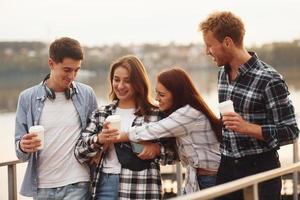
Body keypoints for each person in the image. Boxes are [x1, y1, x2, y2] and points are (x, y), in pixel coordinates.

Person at [198, 11, 299, 200]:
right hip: (226, 168)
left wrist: (248, 128)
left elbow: (291, 131)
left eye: (209, 45)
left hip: (260, 169)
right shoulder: (222, 74)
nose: (206, 51)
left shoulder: (269, 79)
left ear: (227, 42)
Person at [74, 55, 177, 200]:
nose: (120, 86)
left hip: (142, 187)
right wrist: (99, 139)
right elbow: (79, 152)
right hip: (105, 185)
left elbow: (175, 154)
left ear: (138, 83)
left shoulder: (156, 114)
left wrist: (156, 150)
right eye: (116, 79)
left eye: (127, 81)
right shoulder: (102, 113)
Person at [109, 67, 222, 193]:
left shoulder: (188, 114)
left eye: (162, 95)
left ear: (177, 95)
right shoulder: (183, 113)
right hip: (196, 177)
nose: (157, 98)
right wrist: (156, 149)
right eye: (156, 93)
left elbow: (152, 130)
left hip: (210, 179)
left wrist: (119, 136)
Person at [14, 37, 98, 199]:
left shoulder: (87, 94)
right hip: (42, 187)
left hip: (78, 183)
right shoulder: (26, 98)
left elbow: (95, 138)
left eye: (76, 70)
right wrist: (24, 146)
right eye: (67, 70)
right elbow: (20, 153)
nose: (72, 76)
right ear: (51, 63)